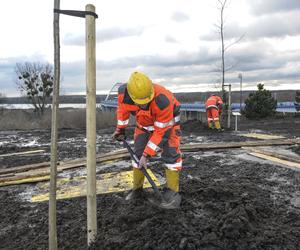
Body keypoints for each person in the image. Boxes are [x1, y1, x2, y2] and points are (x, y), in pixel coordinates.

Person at [112, 71, 182, 208]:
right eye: (140, 103)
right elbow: (122, 111)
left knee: (171, 155)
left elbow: (161, 132)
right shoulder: (123, 94)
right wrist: (120, 129)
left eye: (146, 102)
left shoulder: (163, 100)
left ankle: (172, 194)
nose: (143, 105)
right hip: (143, 124)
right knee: (137, 155)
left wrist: (147, 154)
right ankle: (137, 190)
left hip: (168, 124)